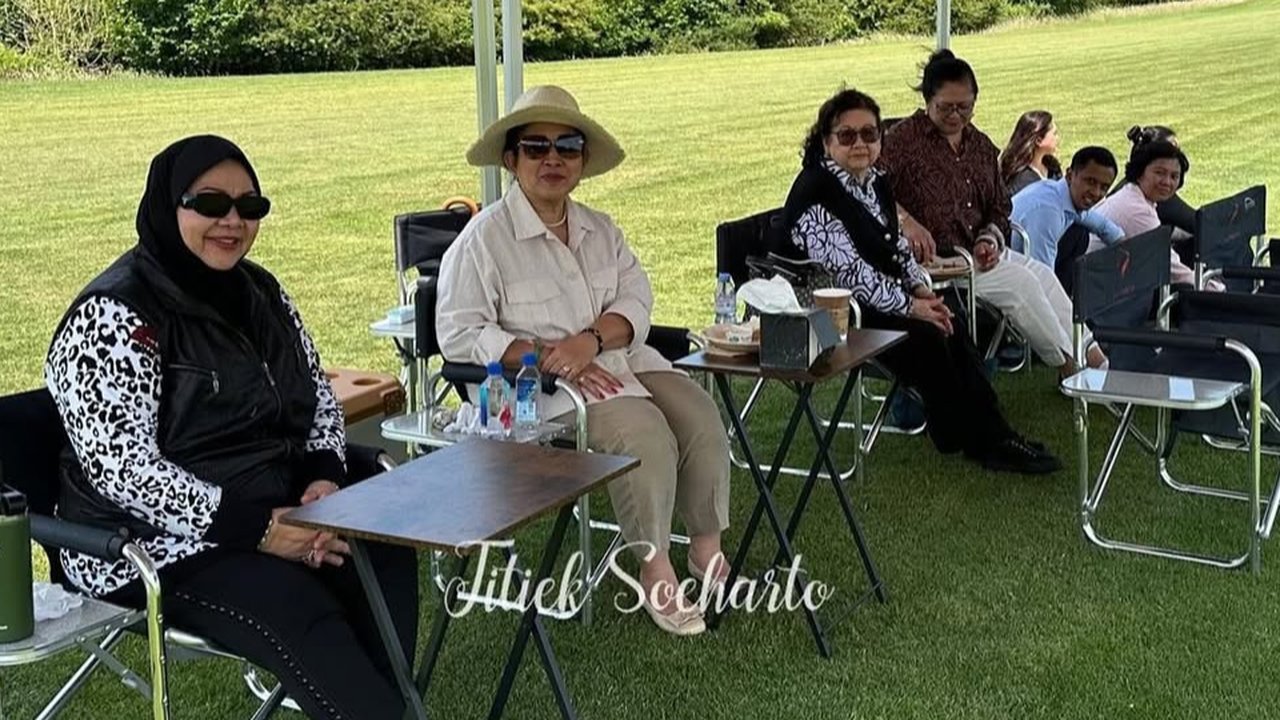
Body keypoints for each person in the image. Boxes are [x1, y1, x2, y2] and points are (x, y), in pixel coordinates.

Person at [44, 135, 419, 720]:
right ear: (169, 205)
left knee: (378, 545)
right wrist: (262, 531)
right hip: (146, 543)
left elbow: (316, 396)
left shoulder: (260, 291)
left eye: (250, 206)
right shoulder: (114, 315)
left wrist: (322, 481)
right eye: (211, 203)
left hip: (272, 501)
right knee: (292, 604)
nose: (233, 221)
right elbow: (124, 472)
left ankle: (379, 707)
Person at [436, 85, 730, 636]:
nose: (553, 159)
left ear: (582, 160)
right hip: (540, 390)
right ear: (510, 160)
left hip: (617, 357)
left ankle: (706, 546)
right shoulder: (482, 242)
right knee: (644, 434)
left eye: (567, 146)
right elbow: (461, 332)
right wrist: (550, 357)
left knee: (699, 414)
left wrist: (590, 342)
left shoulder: (601, 227)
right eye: (536, 147)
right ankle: (654, 564)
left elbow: (635, 297)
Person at [786, 88, 1060, 474]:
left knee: (949, 316)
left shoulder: (873, 181)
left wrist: (921, 289)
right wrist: (912, 306)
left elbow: (896, 246)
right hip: (828, 317)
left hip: (877, 301)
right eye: (847, 136)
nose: (860, 143)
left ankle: (986, 434)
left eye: (870, 133)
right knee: (928, 335)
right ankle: (977, 436)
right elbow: (848, 273)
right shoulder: (816, 191)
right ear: (826, 141)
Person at [879, 49, 1105, 377]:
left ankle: (1095, 357)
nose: (956, 115)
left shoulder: (980, 145)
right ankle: (1070, 368)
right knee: (1024, 285)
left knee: (1043, 276)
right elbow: (868, 192)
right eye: (946, 107)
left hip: (980, 254)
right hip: (936, 262)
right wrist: (906, 221)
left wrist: (990, 237)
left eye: (965, 107)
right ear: (928, 99)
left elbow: (1000, 205)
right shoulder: (900, 141)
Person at [1090, 139, 1223, 291]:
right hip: (1100, 293)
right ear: (1140, 173)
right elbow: (1171, 268)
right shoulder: (1136, 210)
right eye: (1160, 173)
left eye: (1174, 176)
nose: (1167, 182)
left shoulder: (1135, 195)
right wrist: (1215, 288)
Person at [1011, 146, 1125, 294]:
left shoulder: (1065, 195)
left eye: (1104, 187)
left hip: (1029, 265)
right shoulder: (1048, 212)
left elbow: (1103, 226)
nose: (1096, 192)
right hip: (1009, 269)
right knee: (1078, 234)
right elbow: (1041, 279)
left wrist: (1126, 247)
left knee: (1079, 232)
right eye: (1090, 181)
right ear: (1070, 175)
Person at [1000, 110, 1063, 196]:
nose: (1057, 138)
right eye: (1054, 134)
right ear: (1039, 141)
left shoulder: (1052, 167)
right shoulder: (1022, 181)